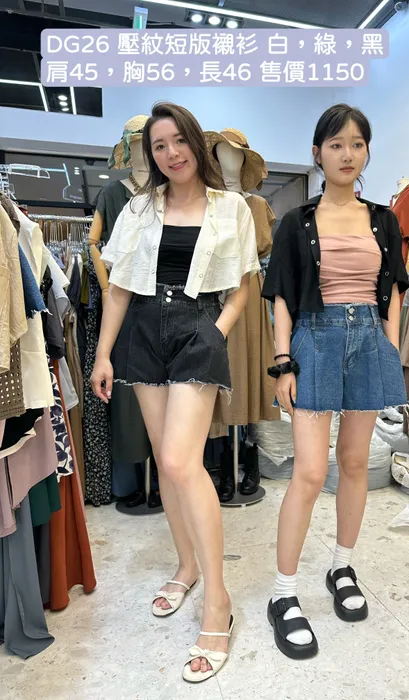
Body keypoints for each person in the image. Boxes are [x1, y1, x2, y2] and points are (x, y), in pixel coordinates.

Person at [90, 102, 260, 682]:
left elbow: (242, 288)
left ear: (195, 143)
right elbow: (118, 286)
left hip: (198, 328)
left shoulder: (231, 207)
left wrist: (216, 332)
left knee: (182, 462)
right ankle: (186, 566)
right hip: (143, 331)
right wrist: (103, 354)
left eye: (178, 140)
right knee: (166, 466)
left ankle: (218, 600)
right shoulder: (138, 207)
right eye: (159, 146)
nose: (170, 153)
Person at [262, 104, 408, 659]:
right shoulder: (296, 221)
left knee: (353, 463)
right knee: (308, 471)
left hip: (369, 339)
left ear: (367, 151)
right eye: (336, 144)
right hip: (315, 341)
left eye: (357, 144)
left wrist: (390, 346)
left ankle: (342, 567)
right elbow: (280, 295)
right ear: (317, 153)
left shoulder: (384, 220)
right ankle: (283, 593)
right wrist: (282, 362)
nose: (348, 154)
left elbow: (393, 288)